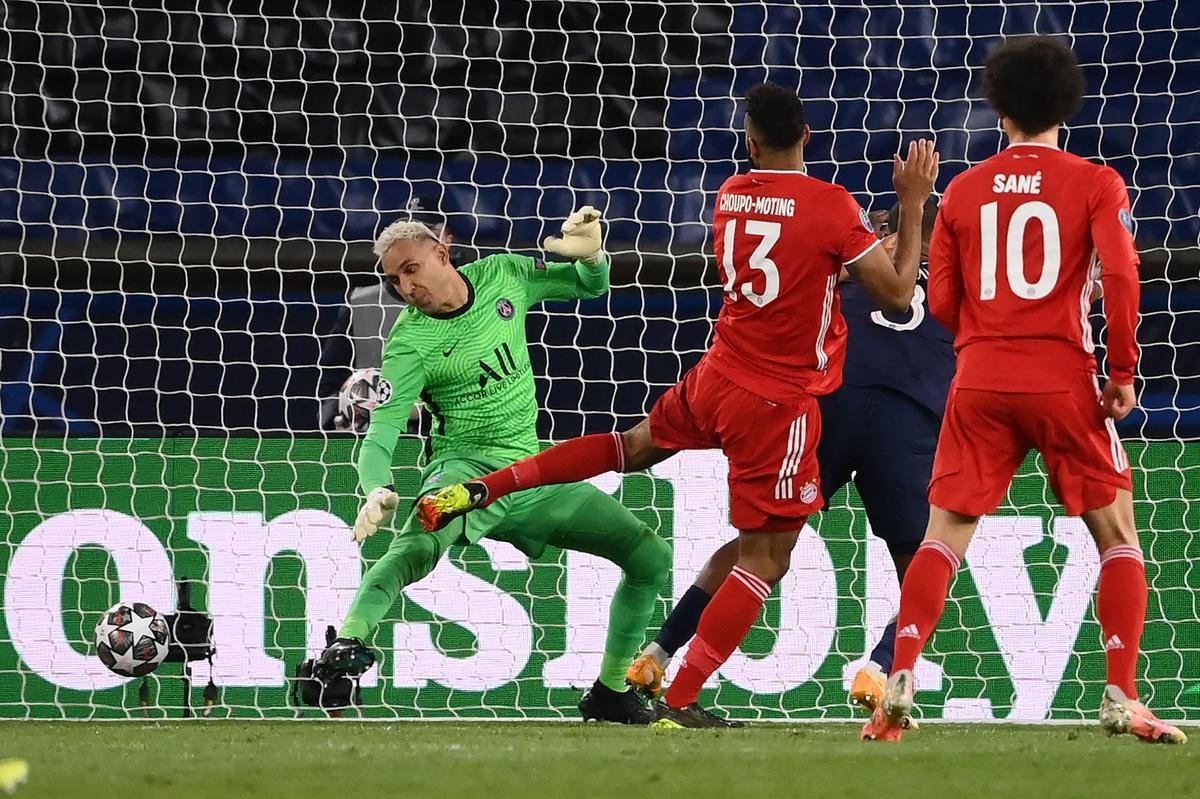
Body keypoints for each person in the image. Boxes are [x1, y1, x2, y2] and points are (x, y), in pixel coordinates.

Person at [417, 81, 939, 727]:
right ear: (808, 136)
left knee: (630, 447)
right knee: (765, 559)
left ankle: (485, 486)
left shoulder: (730, 197)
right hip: (778, 403)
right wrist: (912, 206)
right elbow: (893, 296)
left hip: (715, 374)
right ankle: (684, 696)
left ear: (749, 142)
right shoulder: (832, 207)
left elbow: (799, 266)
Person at [865, 36, 1185, 744]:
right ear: (1067, 105)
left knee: (945, 535)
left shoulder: (965, 191)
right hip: (1062, 375)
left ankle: (902, 674)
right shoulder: (1097, 181)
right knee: (1118, 534)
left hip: (978, 379)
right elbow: (1124, 275)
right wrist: (1124, 370)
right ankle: (1122, 693)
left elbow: (941, 303)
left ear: (999, 110)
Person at [315, 208, 672, 724]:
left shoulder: (503, 275)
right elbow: (381, 434)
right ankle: (347, 644)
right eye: (394, 279)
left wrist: (595, 254)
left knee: (650, 558)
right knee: (413, 549)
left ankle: (611, 692)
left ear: (441, 253)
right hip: (465, 478)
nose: (404, 286)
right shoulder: (409, 345)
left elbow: (589, 286)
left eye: (410, 269)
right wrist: (375, 488)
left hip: (534, 476)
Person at [621, 197, 954, 729]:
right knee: (926, 567)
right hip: (907, 420)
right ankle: (881, 667)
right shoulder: (961, 277)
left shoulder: (861, 261)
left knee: (763, 548)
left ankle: (659, 653)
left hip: (829, 405)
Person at [317, 198, 460, 431]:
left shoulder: (473, 297)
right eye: (406, 232)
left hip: (451, 439)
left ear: (447, 241)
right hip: (372, 438)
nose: (414, 241)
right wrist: (343, 411)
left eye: (426, 233)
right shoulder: (361, 303)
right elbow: (329, 386)